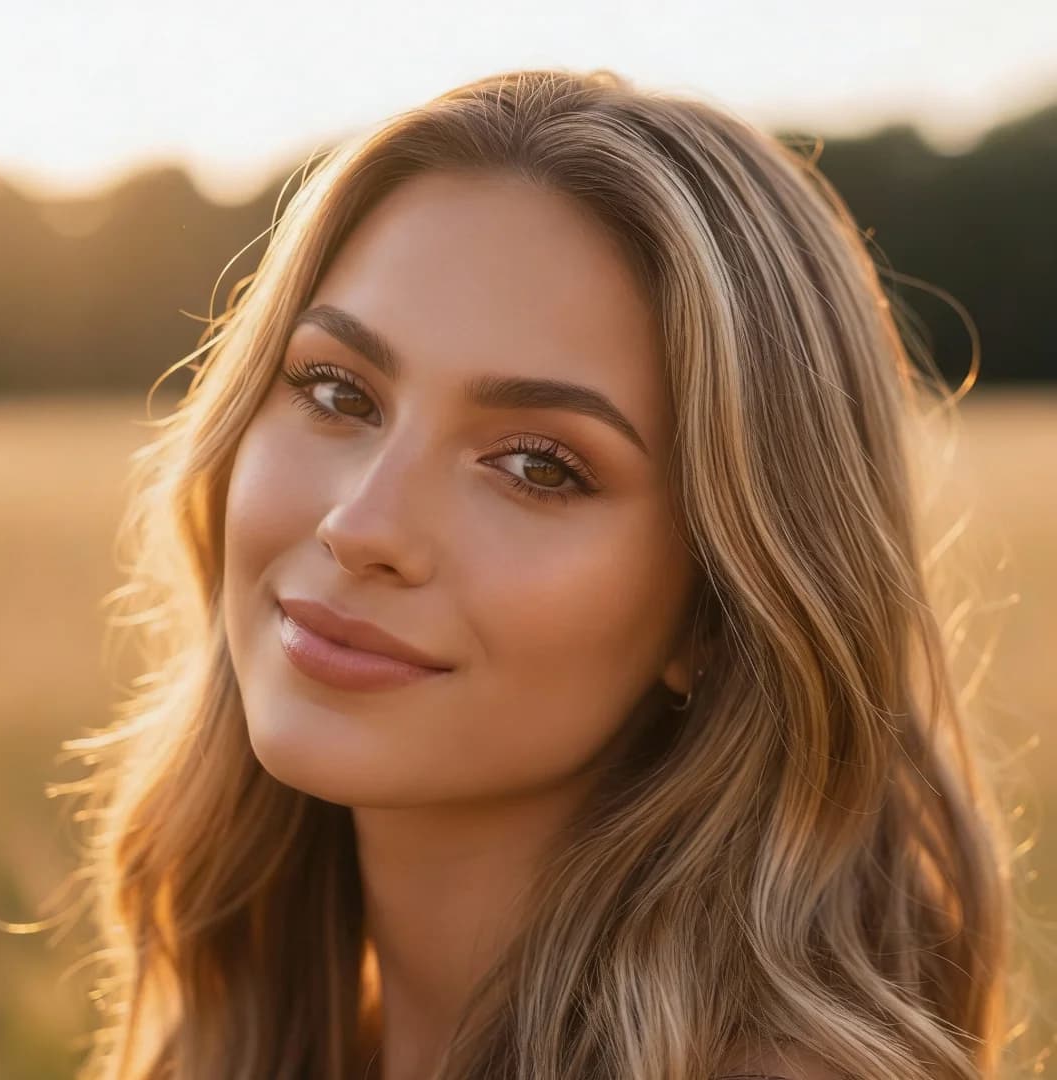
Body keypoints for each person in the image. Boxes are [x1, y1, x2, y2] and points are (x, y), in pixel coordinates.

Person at [60, 67, 1013, 1079]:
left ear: (721, 614)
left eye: (537, 466)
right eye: (339, 391)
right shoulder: (266, 1033)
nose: (363, 524)